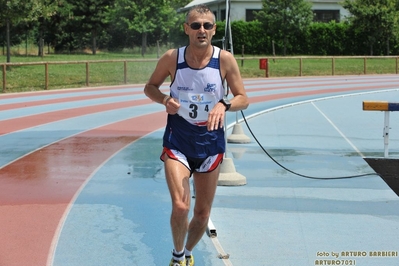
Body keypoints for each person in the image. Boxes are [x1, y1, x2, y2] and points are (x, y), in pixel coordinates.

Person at [144, 4, 249, 266]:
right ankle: (177, 256)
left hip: (210, 143)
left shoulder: (224, 59)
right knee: (181, 206)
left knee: (201, 214)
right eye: (196, 25)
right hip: (178, 140)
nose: (201, 30)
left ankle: (188, 253)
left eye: (207, 25)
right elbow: (150, 87)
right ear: (186, 29)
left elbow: (243, 98)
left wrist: (223, 104)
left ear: (214, 30)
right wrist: (164, 99)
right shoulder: (172, 58)